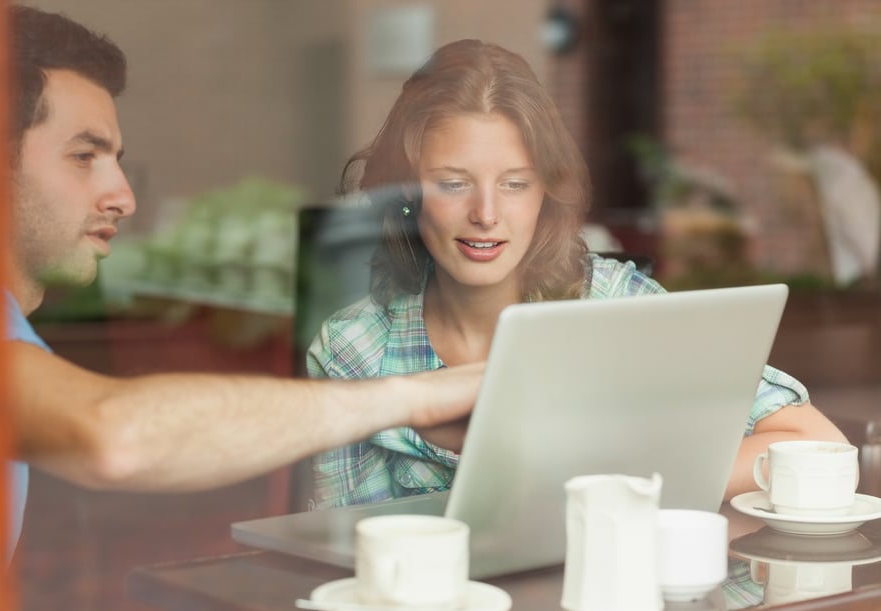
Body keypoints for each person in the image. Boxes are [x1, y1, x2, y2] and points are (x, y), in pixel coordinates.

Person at [5, 7, 482, 611]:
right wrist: (415, 396)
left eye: (116, 160)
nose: (122, 195)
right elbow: (112, 434)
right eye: (85, 157)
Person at [307, 39, 847, 510]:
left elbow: (815, 443)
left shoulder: (614, 303)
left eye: (516, 184)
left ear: (545, 194)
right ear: (405, 195)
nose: (487, 214)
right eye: (453, 184)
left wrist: (617, 484)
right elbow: (342, 549)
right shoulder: (355, 349)